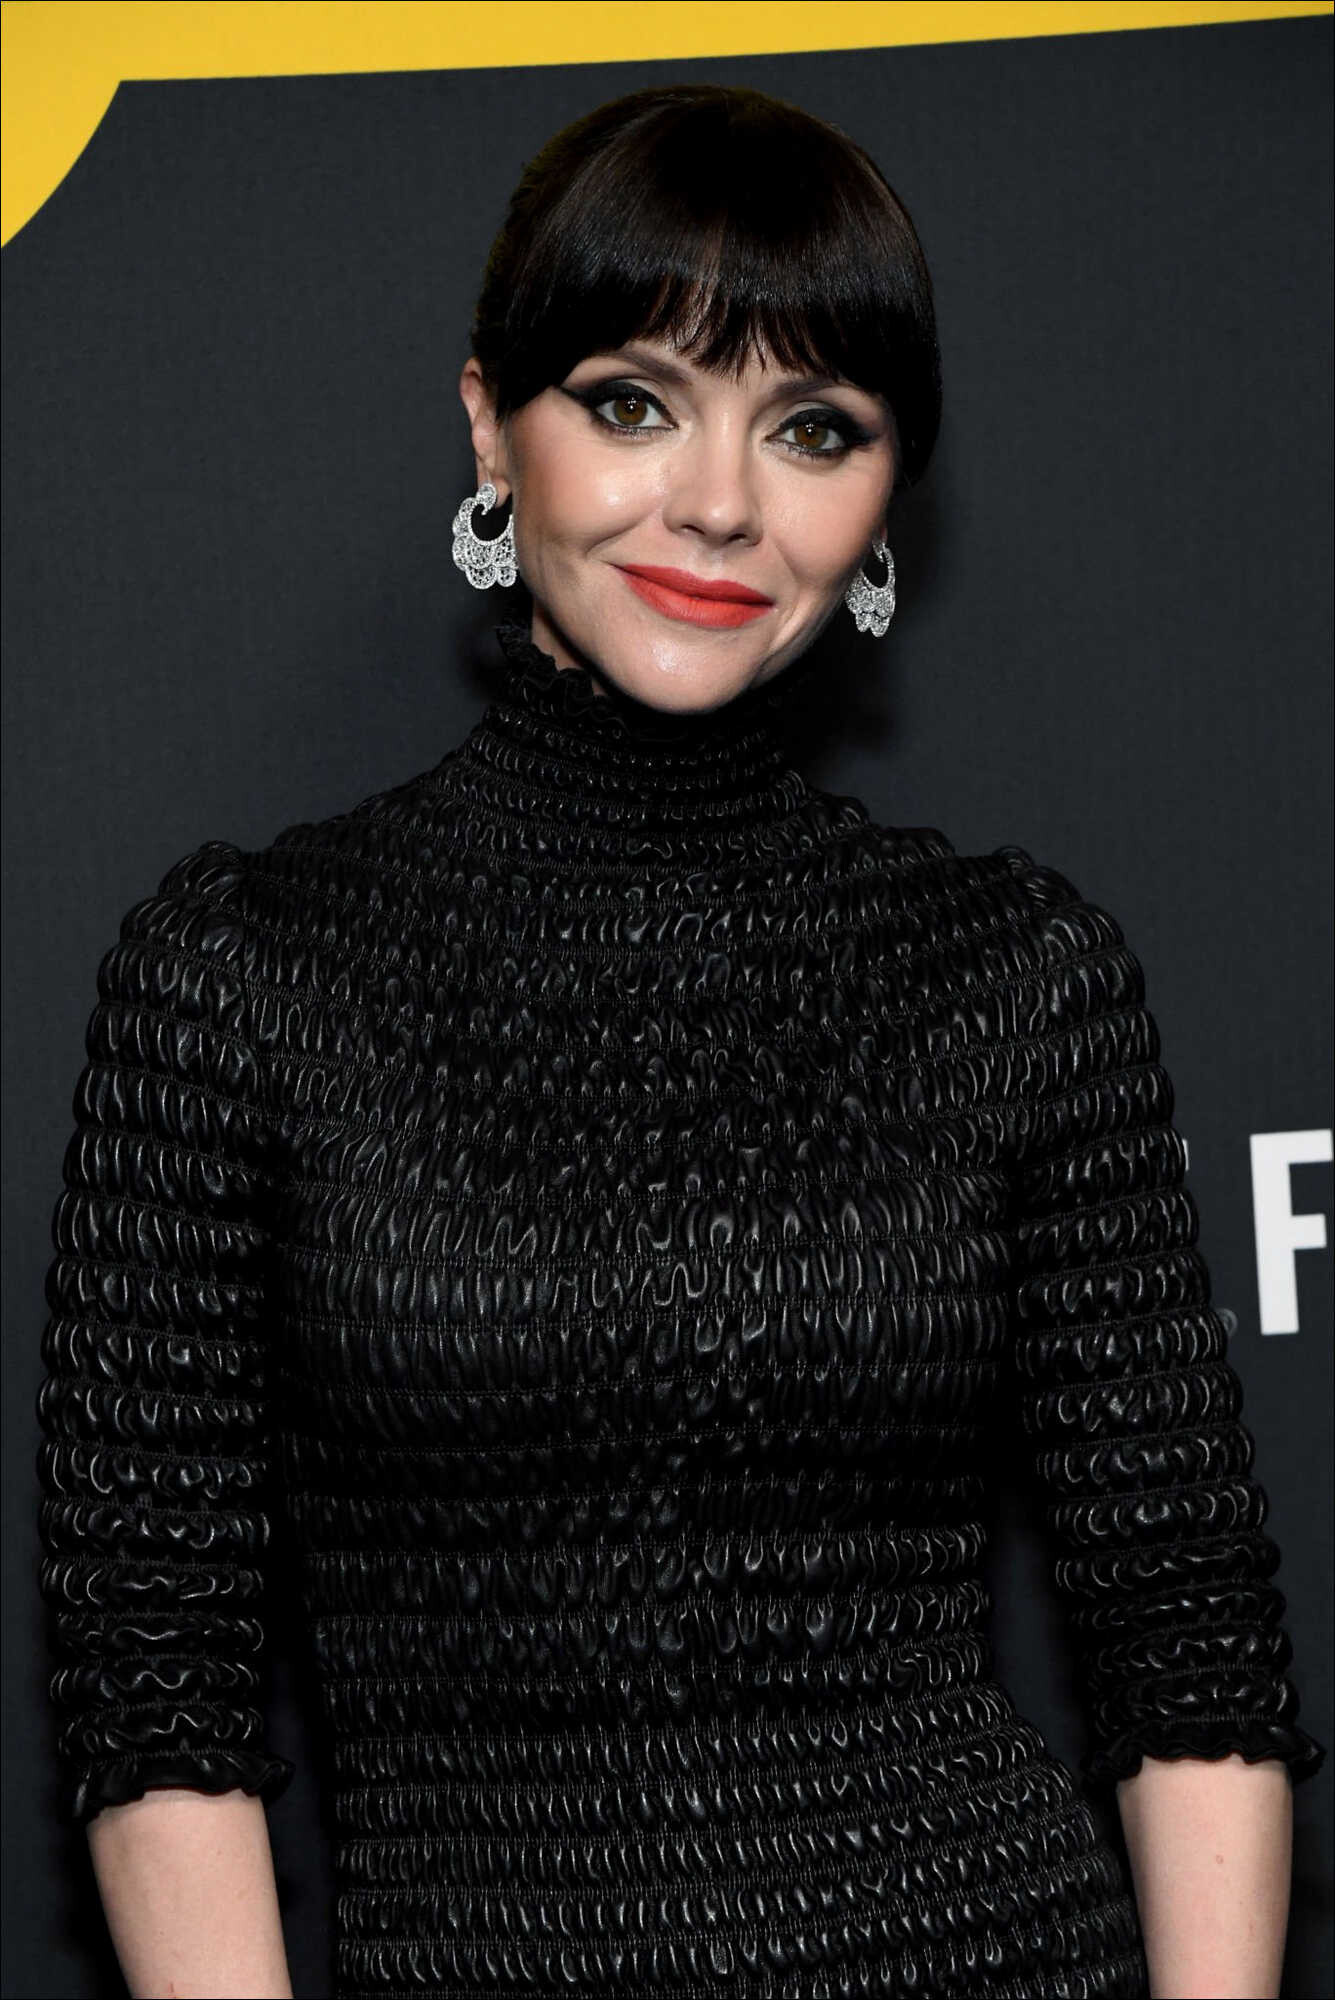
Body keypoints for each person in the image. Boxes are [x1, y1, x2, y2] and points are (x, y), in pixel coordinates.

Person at [34, 82, 1324, 2000]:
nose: (721, 501)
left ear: (886, 495)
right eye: (635, 401)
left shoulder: (1016, 975)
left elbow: (1188, 1636)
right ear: (493, 424)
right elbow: (157, 1686)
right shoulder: (238, 976)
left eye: (814, 428)